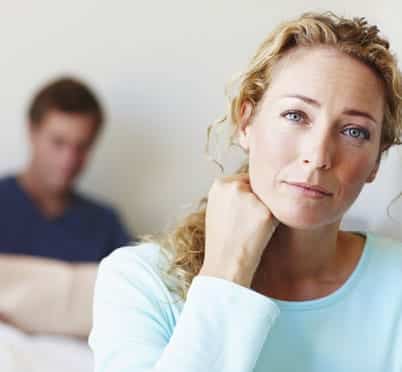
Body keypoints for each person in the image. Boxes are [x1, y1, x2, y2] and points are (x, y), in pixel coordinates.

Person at [89, 12, 402, 371]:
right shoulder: (140, 282)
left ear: (377, 161)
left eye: (354, 132)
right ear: (246, 122)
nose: (317, 156)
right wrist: (227, 271)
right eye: (296, 116)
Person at [0, 77, 132, 262]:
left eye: (82, 146)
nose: (69, 159)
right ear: (32, 131)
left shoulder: (105, 226)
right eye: (58, 142)